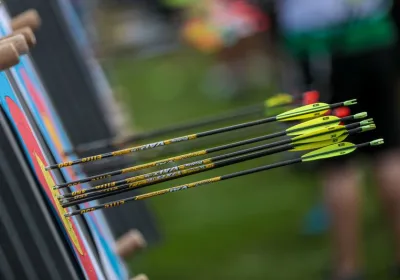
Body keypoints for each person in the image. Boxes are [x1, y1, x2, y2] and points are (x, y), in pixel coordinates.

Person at [274, 1, 400, 279]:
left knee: (338, 165)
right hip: (375, 36)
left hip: (326, 47)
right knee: (388, 152)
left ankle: (347, 269)